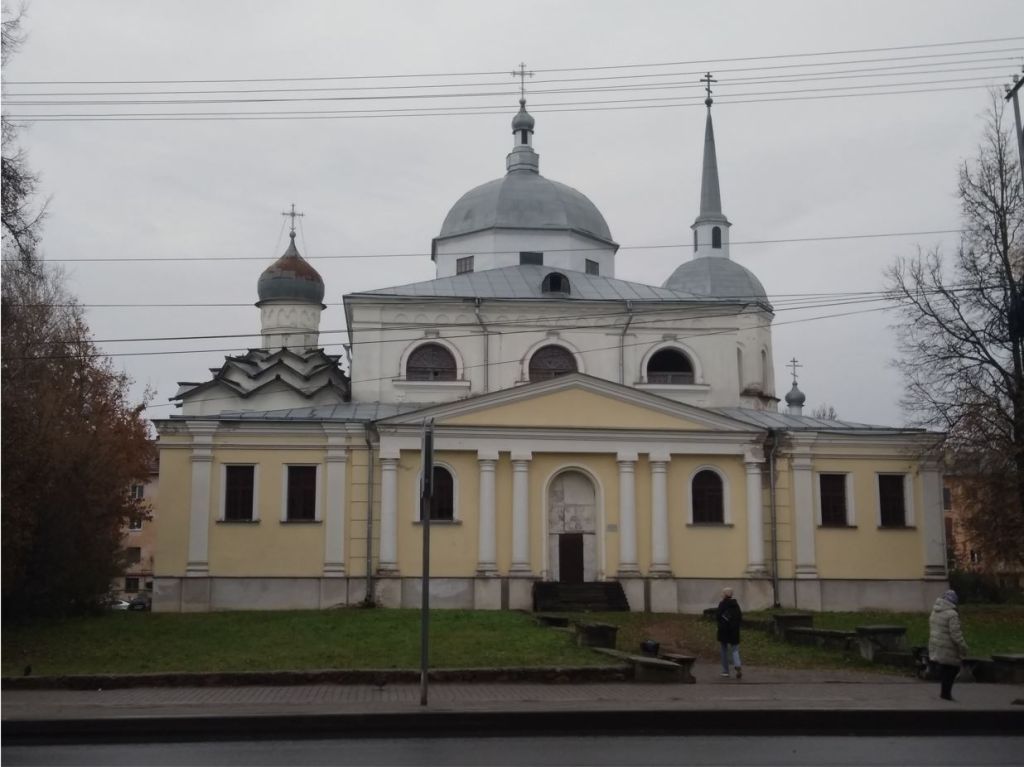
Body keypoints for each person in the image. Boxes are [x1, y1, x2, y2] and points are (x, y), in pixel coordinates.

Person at [928, 589, 969, 701]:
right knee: (952, 669)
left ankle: (944, 693)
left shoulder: (935, 611)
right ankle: (946, 694)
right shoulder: (952, 614)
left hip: (937, 644)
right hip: (949, 646)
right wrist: (963, 646)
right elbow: (956, 634)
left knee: (945, 669)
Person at [715, 587, 742, 679]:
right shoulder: (736, 605)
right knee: (735, 649)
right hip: (734, 630)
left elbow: (718, 616)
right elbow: (739, 617)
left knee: (724, 650)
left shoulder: (722, 604)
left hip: (724, 630)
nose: (721, 595)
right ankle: (737, 665)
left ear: (725, 594)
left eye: (722, 593)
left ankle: (725, 671)